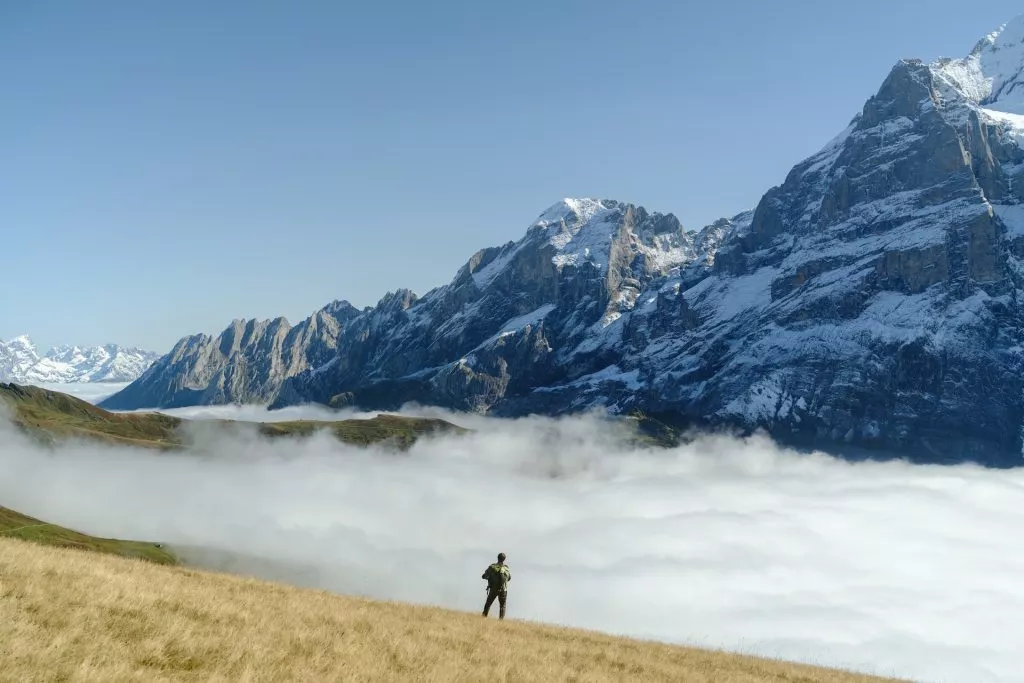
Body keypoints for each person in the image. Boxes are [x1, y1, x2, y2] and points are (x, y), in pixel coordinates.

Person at [481, 552, 511, 619]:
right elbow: (509, 578)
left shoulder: (492, 567)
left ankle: (483, 618)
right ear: (504, 559)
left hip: (493, 589)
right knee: (502, 606)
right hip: (503, 590)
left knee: (488, 604)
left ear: (497, 558)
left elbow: (484, 576)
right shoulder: (506, 568)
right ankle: (501, 621)